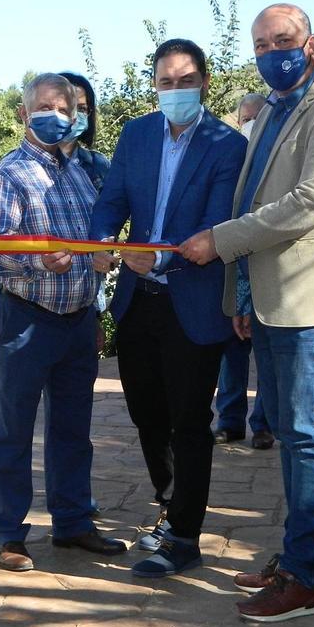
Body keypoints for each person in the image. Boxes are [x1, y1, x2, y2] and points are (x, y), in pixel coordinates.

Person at [180, 3, 314, 623]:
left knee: (308, 438)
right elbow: (253, 194)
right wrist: (244, 295)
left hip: (313, 301)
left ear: (311, 43)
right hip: (270, 304)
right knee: (294, 439)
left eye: (285, 40)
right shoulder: (270, 109)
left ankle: (304, 577)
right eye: (262, 43)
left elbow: (309, 202)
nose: (273, 51)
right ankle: (300, 559)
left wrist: (222, 242)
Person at [89, 38, 246, 578]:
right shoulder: (134, 135)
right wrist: (104, 242)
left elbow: (218, 221)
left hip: (194, 300)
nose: (174, 90)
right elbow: (111, 200)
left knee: (189, 422)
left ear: (204, 82)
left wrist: (154, 255)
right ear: (154, 84)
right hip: (137, 302)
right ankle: (169, 503)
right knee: (146, 415)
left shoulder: (226, 145)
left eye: (185, 81)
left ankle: (184, 537)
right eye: (165, 82)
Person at [0, 73, 125, 572]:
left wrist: (99, 261)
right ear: (24, 113)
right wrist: (41, 262)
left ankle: (73, 523)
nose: (56, 115)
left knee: (73, 429)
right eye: (45, 106)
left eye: (64, 107)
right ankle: (7, 532)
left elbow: (97, 240)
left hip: (79, 318)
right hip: (26, 319)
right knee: (12, 429)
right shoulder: (7, 175)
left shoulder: (86, 173)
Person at [212, 93, 274, 451]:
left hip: (266, 273)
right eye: (245, 118)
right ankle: (230, 421)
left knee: (266, 356)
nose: (251, 124)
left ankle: (263, 425)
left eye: (257, 118)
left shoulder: (273, 163)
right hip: (232, 274)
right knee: (231, 356)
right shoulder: (230, 160)